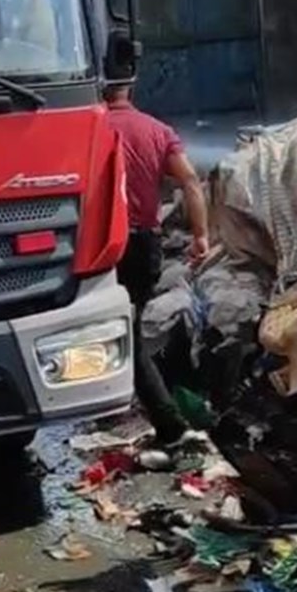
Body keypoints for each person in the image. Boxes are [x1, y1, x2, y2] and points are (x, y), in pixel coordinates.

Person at [105, 83, 210, 457]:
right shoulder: (157, 130)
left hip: (104, 246)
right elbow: (190, 181)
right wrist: (201, 236)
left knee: (123, 334)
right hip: (147, 245)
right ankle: (142, 409)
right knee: (128, 328)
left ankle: (168, 423)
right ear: (130, 86)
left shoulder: (90, 128)